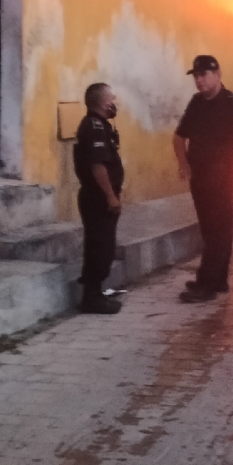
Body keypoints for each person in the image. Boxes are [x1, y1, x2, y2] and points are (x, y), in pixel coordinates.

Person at [174, 55, 233, 303]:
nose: (199, 81)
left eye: (203, 75)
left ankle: (206, 284)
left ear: (217, 74)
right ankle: (218, 279)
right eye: (196, 77)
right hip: (199, 177)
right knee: (211, 231)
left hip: (222, 177)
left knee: (218, 231)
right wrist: (183, 164)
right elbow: (179, 136)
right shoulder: (196, 103)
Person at [75, 83, 125, 315]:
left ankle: (96, 294)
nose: (115, 102)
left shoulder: (100, 126)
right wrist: (110, 197)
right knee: (99, 246)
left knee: (104, 246)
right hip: (97, 198)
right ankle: (92, 298)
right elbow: (98, 166)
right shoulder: (94, 127)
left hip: (100, 197)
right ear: (105, 103)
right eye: (112, 99)